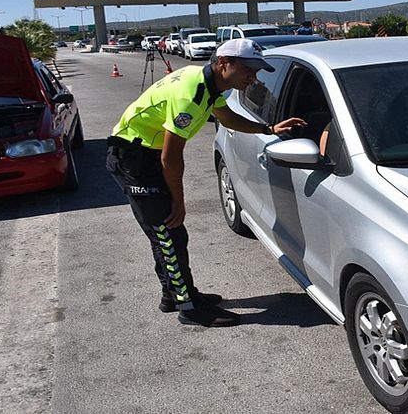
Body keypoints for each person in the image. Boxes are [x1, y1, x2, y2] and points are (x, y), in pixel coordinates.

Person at [106, 38, 306, 328]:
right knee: (168, 233)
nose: (254, 77)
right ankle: (188, 308)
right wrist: (179, 201)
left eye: (257, 71)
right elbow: (171, 157)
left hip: (146, 154)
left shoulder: (211, 86)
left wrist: (268, 128)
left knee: (166, 233)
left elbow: (227, 118)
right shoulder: (192, 93)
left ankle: (173, 294)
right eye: (249, 69)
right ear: (224, 63)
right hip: (133, 156)